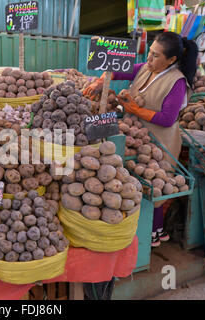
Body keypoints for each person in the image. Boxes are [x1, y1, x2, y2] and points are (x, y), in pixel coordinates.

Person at [84, 32, 198, 247]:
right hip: (137, 136)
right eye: (150, 53)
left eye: (155, 56)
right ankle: (140, 232)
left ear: (171, 60)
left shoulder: (177, 82)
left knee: (154, 188)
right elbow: (118, 70)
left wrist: (135, 109)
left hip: (161, 140)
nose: (149, 59)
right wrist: (101, 81)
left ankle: (154, 232)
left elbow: (167, 118)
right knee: (136, 185)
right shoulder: (146, 68)